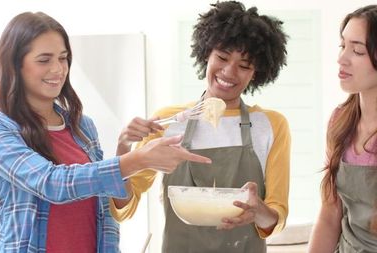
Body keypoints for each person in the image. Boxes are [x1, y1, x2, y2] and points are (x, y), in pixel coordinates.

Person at [0, 11, 211, 253]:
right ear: (15, 64)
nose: (58, 69)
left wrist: (124, 148)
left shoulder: (82, 127)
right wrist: (138, 159)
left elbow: (108, 209)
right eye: (44, 60)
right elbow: (52, 183)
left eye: (63, 58)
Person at [109, 1, 291, 252]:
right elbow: (124, 208)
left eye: (244, 65)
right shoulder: (169, 122)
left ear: (256, 73)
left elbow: (276, 218)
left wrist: (258, 210)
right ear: (206, 53)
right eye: (223, 57)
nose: (229, 72)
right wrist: (123, 148)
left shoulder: (270, 125)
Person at [308, 5, 377, 253]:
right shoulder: (340, 121)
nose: (342, 58)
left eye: (357, 50)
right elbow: (329, 215)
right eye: (342, 45)